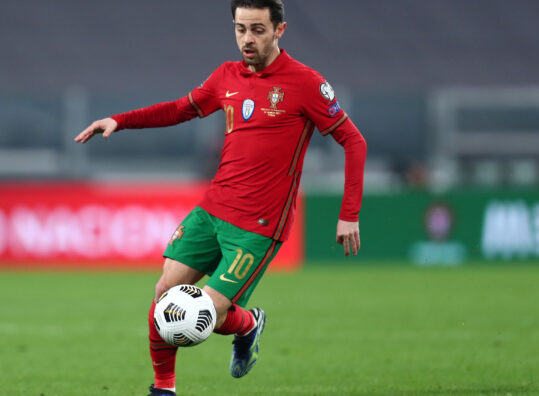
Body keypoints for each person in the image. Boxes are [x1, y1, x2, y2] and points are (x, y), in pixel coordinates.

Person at [75, 1, 367, 394]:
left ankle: (248, 324)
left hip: (258, 226)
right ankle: (164, 389)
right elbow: (180, 109)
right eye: (240, 28)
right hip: (213, 210)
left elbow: (354, 141)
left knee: (207, 315)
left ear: (280, 30)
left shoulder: (306, 83)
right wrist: (120, 121)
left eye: (258, 30)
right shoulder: (226, 76)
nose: (247, 39)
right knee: (164, 295)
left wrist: (348, 213)